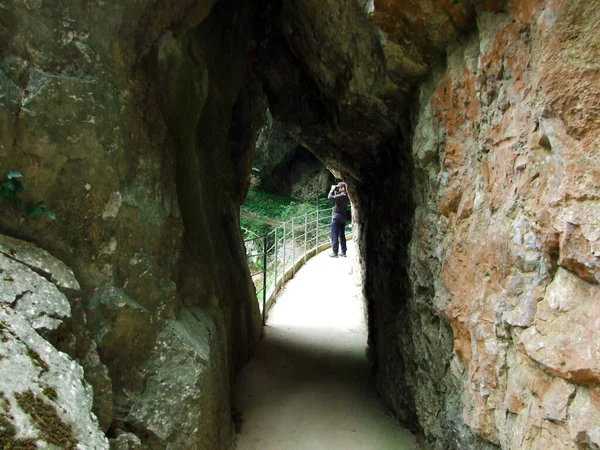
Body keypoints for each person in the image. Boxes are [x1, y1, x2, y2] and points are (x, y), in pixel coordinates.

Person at [327, 181, 350, 257]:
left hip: (336, 218)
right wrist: (336, 192)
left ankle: (335, 252)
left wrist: (332, 190)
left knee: (334, 235)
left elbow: (330, 197)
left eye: (339, 187)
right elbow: (336, 199)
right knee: (342, 235)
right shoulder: (346, 196)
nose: (338, 188)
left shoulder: (342, 196)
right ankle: (343, 252)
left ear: (343, 188)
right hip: (343, 218)